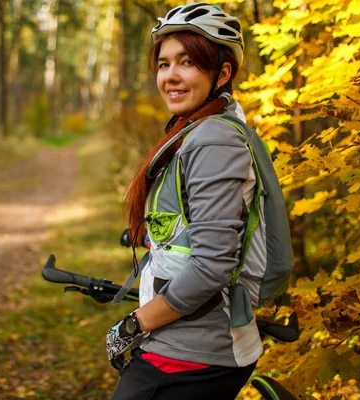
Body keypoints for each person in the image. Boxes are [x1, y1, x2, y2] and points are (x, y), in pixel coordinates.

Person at [106, 4, 263, 399]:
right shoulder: (201, 130)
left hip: (192, 354)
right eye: (163, 64)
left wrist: (134, 325)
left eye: (187, 62)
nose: (170, 76)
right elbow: (195, 230)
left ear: (222, 73)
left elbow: (211, 266)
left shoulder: (212, 140)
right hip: (189, 340)